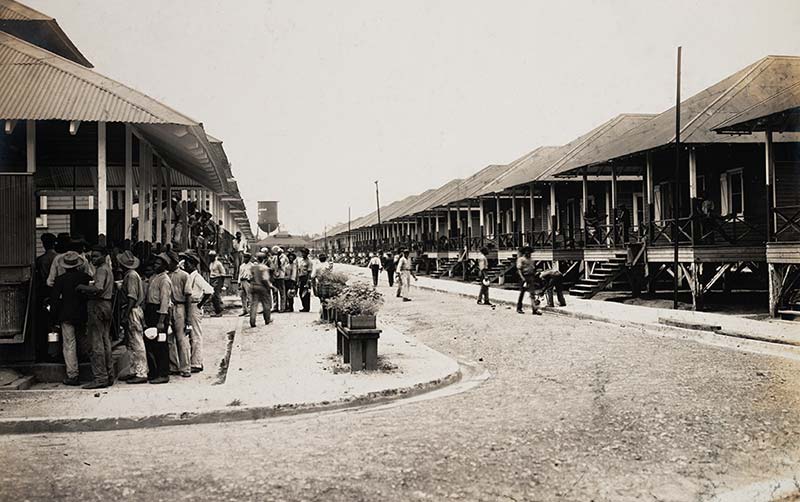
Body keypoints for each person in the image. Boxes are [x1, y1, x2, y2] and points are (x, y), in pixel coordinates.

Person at [76, 245, 116, 389]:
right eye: (92, 256)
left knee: (96, 343)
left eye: (96, 256)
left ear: (104, 256)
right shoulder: (107, 269)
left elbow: (98, 288)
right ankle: (109, 375)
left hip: (98, 305)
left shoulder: (101, 270)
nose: (93, 259)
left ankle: (100, 378)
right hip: (106, 305)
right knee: (105, 342)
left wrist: (82, 287)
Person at [51, 251, 91, 386]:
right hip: (82, 313)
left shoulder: (60, 280)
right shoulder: (85, 277)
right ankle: (87, 364)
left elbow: (55, 301)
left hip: (66, 314)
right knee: (83, 340)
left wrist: (53, 318)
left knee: (69, 344)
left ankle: (73, 375)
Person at [117, 251, 148, 384]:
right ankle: (134, 369)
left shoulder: (131, 276)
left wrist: (125, 314)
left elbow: (132, 297)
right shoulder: (130, 275)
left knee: (136, 341)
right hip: (133, 309)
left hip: (132, 310)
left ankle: (141, 372)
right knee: (130, 342)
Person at [142, 253, 172, 384]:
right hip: (151, 311)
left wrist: (161, 321)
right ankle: (154, 372)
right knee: (151, 343)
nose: (155, 265)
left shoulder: (164, 280)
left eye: (158, 264)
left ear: (164, 266)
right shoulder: (155, 277)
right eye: (155, 263)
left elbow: (164, 301)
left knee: (161, 344)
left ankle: (163, 373)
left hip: (159, 312)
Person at [182, 251, 213, 373]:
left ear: (193, 264)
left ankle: (197, 362)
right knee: (190, 334)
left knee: (196, 335)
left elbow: (209, 291)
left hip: (195, 305)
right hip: (190, 305)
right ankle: (193, 360)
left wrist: (200, 304)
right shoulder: (189, 276)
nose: (185, 265)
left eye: (188, 263)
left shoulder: (197, 277)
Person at [167, 252, 192, 378]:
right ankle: (173, 366)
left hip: (180, 307)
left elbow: (188, 296)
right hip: (168, 308)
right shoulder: (166, 275)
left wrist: (188, 318)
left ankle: (185, 367)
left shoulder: (184, 275)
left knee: (181, 338)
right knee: (169, 338)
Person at [249, 252, 277, 327]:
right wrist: (271, 286)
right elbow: (265, 279)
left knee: (254, 304)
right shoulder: (264, 268)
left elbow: (250, 277)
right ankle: (267, 319)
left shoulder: (253, 267)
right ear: (264, 259)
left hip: (253, 286)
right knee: (266, 304)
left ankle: (252, 320)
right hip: (262, 287)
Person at [515, 246, 542, 315]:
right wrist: (522, 278)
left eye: (529, 252)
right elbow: (519, 270)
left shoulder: (531, 260)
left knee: (532, 293)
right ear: (524, 252)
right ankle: (519, 307)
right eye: (527, 252)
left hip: (531, 276)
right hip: (524, 276)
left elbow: (533, 268)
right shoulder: (521, 259)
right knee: (522, 293)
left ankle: (534, 309)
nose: (528, 253)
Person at [270, 246, 288, 313]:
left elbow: (280, 264)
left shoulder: (283, 257)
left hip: (280, 276)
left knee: (282, 293)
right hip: (275, 276)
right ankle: (275, 307)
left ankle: (283, 307)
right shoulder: (274, 257)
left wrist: (278, 256)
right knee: (274, 292)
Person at [208, 250, 226, 316]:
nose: (210, 258)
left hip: (217, 279)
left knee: (216, 295)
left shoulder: (218, 263)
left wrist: (221, 283)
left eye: (211, 256)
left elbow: (223, 273)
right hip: (212, 279)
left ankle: (219, 311)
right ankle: (216, 311)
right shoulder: (211, 263)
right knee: (213, 296)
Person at [296, 248, 313, 312]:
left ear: (307, 254)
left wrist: (308, 281)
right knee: (300, 293)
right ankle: (304, 306)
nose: (303, 254)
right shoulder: (301, 260)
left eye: (304, 253)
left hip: (306, 278)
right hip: (301, 277)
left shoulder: (309, 262)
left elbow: (309, 272)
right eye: (302, 253)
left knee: (306, 293)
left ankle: (307, 307)